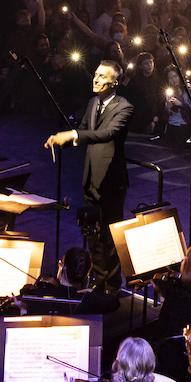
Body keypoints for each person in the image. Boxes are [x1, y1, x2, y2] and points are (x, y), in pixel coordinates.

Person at [43, 60, 135, 286]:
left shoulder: (125, 107)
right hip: (91, 180)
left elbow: (107, 133)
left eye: (103, 77)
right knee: (91, 233)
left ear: (115, 82)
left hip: (111, 183)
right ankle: (98, 282)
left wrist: (71, 135)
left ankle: (112, 287)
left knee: (110, 237)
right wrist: (61, 141)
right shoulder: (93, 102)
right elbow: (85, 130)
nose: (96, 79)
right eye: (95, 74)